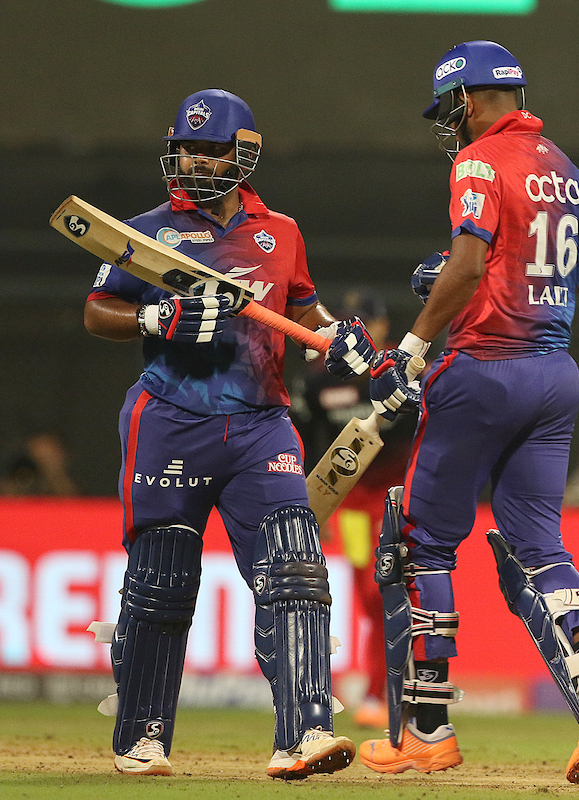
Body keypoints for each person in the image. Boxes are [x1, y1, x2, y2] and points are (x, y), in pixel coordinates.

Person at [358, 41, 579, 785]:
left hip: (484, 369)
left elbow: (475, 260)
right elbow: (577, 270)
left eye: (451, 110)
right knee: (538, 548)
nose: (450, 126)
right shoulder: (566, 169)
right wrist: (457, 270)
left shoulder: (477, 161)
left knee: (420, 543)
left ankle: (427, 729)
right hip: (556, 374)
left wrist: (416, 344)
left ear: (471, 100)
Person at [83, 88, 377, 779]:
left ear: (243, 155)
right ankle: (142, 735)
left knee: (297, 572)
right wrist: (154, 321)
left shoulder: (282, 232)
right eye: (187, 147)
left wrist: (335, 336)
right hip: (169, 421)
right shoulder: (144, 231)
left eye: (211, 148)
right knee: (162, 584)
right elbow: (99, 311)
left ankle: (304, 732)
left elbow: (303, 311)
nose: (195, 159)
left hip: (260, 425)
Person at [290, 290, 415, 729]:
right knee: (369, 594)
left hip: (397, 501)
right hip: (354, 506)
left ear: (381, 328)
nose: (357, 329)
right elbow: (307, 443)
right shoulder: (317, 380)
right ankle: (384, 682)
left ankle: (384, 692)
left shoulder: (399, 372)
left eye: (365, 321)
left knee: (386, 591)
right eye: (349, 320)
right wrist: (314, 506)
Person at [0, 430, 79, 496]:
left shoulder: (69, 489)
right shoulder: (13, 481)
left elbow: (74, 503)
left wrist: (54, 474)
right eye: (37, 457)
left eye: (48, 456)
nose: (40, 461)